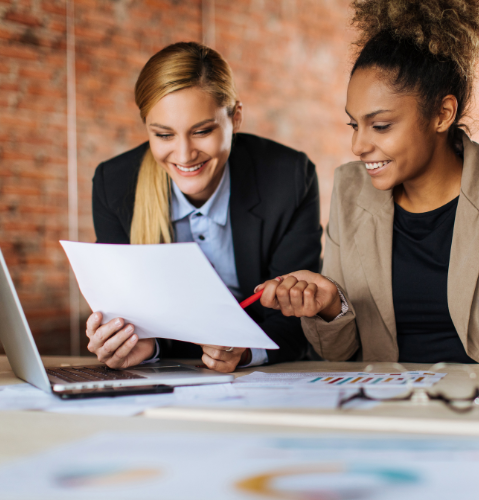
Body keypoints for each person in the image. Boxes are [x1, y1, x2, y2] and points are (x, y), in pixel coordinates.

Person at [258, 0, 479, 364]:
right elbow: (336, 355)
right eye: (354, 125)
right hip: (382, 406)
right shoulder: (350, 189)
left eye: (380, 126)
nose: (358, 146)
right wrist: (330, 308)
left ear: (443, 113)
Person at [85, 42, 322, 373]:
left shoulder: (288, 178)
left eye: (202, 131)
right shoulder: (114, 184)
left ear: (235, 118)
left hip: (264, 376)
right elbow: (131, 316)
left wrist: (245, 352)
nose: (183, 155)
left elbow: (298, 319)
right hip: (171, 377)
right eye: (164, 135)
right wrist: (134, 343)